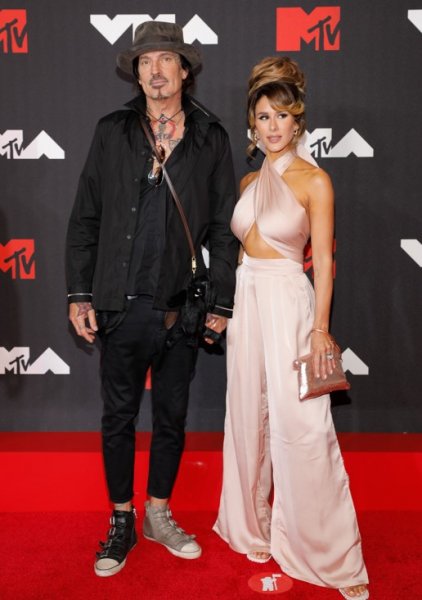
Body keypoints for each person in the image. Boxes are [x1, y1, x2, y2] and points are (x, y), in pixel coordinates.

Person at [66, 21, 238, 577]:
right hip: (120, 304)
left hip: (181, 307)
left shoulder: (211, 136)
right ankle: (122, 518)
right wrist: (79, 294)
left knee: (171, 416)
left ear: (184, 70)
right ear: (136, 74)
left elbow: (223, 228)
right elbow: (86, 216)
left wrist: (221, 301)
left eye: (166, 59)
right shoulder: (112, 131)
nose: (155, 70)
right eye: (145, 62)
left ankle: (158, 514)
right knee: (118, 416)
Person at [213, 57, 369, 600]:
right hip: (248, 298)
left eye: (282, 115)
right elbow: (240, 251)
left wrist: (320, 329)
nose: (273, 125)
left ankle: (331, 554)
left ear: (298, 122)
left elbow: (322, 261)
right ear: (251, 124)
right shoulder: (248, 180)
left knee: (304, 425)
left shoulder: (315, 181)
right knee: (246, 412)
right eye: (263, 116)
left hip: (289, 302)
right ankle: (252, 525)